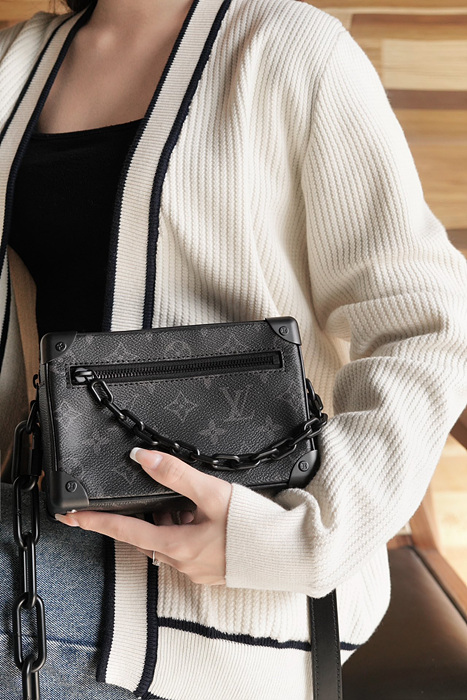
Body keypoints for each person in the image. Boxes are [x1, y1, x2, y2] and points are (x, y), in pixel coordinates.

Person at [1, 0, 466, 697]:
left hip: (227, 591)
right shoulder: (15, 63)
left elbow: (427, 325)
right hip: (37, 521)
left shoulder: (290, 48)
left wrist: (295, 538)